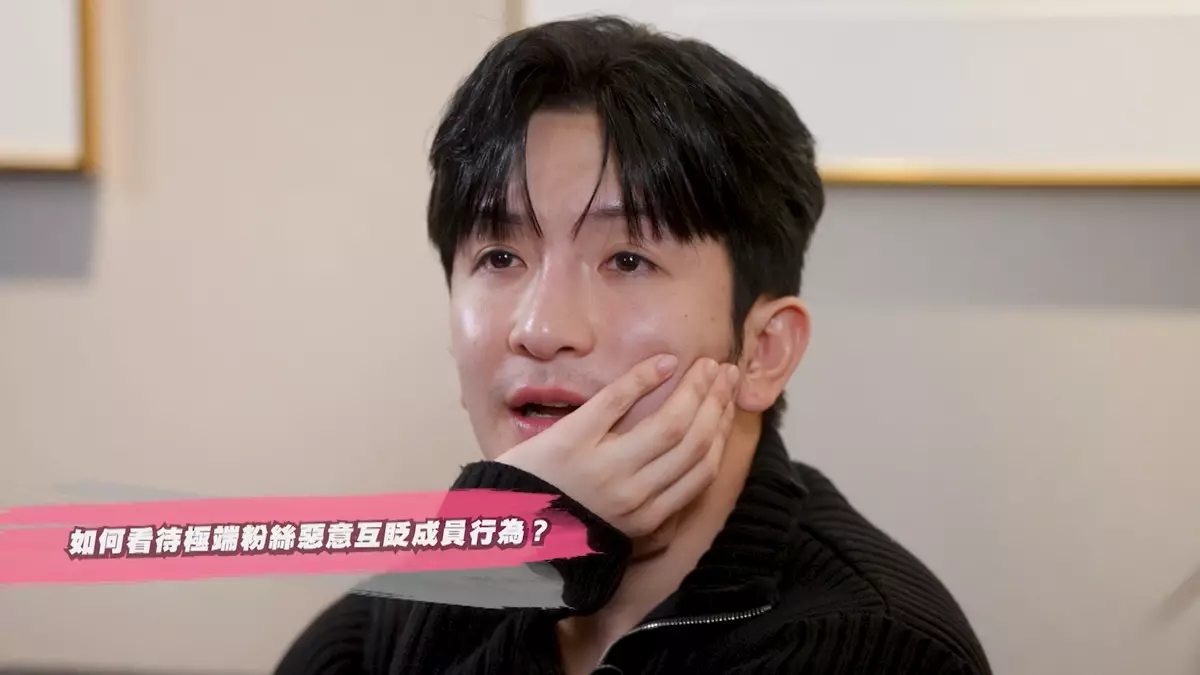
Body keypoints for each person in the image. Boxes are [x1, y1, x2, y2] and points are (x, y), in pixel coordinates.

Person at [276, 15, 991, 675]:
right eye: (500, 257)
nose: (540, 329)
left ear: (763, 350)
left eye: (626, 260)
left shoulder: (874, 645)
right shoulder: (397, 617)